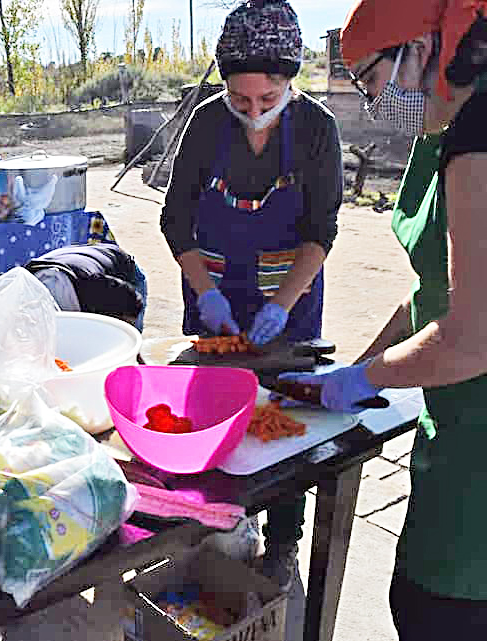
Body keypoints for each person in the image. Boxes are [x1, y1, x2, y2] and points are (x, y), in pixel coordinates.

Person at [280, 1, 487, 637]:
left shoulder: (478, 139)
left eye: (372, 83)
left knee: (437, 609)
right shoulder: (444, 129)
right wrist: (358, 367)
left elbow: (471, 339)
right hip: (452, 426)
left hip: (478, 455)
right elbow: (431, 291)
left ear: (419, 50)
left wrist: (365, 380)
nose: (374, 106)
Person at [160, 0, 344, 589]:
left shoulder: (316, 129)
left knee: (285, 423)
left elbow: (320, 233)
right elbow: (175, 221)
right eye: (240, 100)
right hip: (215, 285)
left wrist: (282, 305)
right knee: (220, 417)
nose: (255, 112)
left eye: (268, 98)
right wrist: (206, 294)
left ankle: (284, 542)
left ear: (291, 81)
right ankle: (225, 525)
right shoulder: (206, 124)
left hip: (287, 300)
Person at [24, 242, 148, 331]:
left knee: (128, 334)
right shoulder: (24, 286)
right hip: (71, 261)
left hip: (121, 265)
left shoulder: (93, 287)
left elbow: (127, 300)